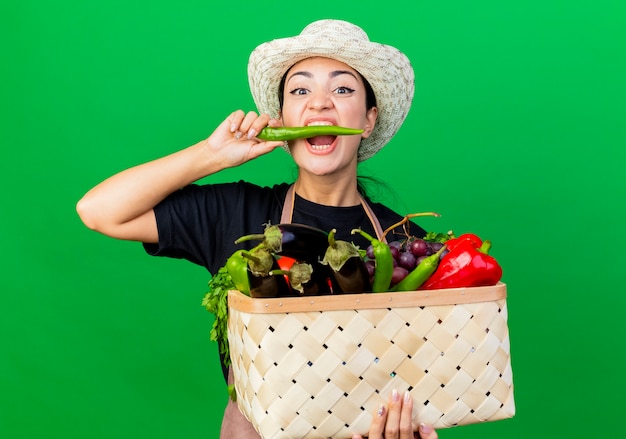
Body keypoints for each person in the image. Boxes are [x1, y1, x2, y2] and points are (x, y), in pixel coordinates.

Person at [77, 19, 439, 439]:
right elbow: (99, 210)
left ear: (368, 119)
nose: (319, 105)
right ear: (283, 117)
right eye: (300, 91)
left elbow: (423, 376)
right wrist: (211, 155)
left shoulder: (403, 242)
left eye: (342, 90)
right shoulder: (238, 213)